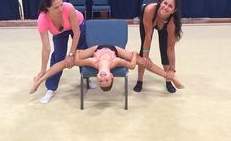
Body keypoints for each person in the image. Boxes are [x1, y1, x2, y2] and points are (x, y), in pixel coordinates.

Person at [30, 45, 184, 94]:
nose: (103, 78)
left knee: (66, 62)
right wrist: (135, 57)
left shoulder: (94, 63)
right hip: (114, 50)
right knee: (144, 62)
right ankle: (170, 77)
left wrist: (76, 56)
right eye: (106, 80)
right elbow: (130, 65)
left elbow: (77, 60)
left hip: (95, 49)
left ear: (97, 77)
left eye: (100, 81)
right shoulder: (114, 63)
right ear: (111, 76)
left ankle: (39, 80)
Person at [35, 0, 92, 104]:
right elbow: (46, 48)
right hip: (59, 32)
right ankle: (51, 88)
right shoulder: (42, 19)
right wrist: (42, 70)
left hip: (78, 25)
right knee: (58, 57)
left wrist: (71, 54)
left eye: (61, 4)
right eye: (56, 8)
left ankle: (86, 79)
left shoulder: (69, 8)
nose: (61, 9)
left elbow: (77, 33)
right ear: (48, 9)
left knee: (82, 52)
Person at [134, 0, 183, 93]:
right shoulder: (150, 10)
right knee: (143, 51)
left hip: (164, 25)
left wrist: (172, 70)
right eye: (165, 3)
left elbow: (170, 48)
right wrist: (146, 56)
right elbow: (148, 36)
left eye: (170, 6)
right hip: (149, 20)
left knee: (164, 50)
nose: (166, 7)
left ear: (174, 11)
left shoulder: (171, 23)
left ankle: (168, 81)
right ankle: (140, 81)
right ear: (160, 2)